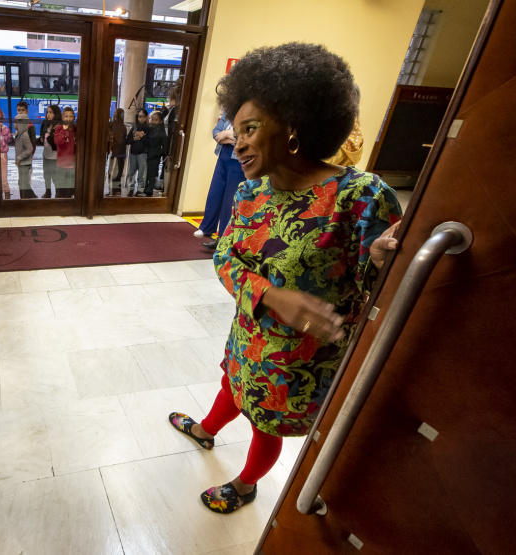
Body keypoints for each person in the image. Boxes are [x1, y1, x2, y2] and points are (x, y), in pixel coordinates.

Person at [168, 42, 402, 515]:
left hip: (300, 360)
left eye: (251, 128)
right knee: (233, 386)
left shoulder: (359, 195)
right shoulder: (251, 193)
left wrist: (380, 261)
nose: (239, 142)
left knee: (265, 422)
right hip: (249, 335)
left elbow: (382, 294)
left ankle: (248, 483)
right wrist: (272, 297)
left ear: (294, 126)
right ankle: (207, 430)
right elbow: (226, 260)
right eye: (237, 131)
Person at [196, 113, 245, 249]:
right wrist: (227, 135)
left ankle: (223, 238)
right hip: (223, 155)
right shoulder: (229, 110)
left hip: (237, 160)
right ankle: (207, 227)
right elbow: (216, 132)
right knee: (215, 193)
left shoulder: (250, 112)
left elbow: (246, 137)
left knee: (229, 201)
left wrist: (228, 135)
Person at [143, 111, 168, 197]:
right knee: (145, 173)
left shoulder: (161, 133)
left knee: (151, 174)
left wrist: (156, 154)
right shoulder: (149, 129)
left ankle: (149, 190)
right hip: (146, 154)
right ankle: (144, 188)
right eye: (152, 119)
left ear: (161, 121)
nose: (153, 121)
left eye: (156, 120)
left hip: (154, 156)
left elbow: (164, 147)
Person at [54, 106, 77, 198]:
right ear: (62, 117)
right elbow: (58, 142)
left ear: (74, 118)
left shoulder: (76, 129)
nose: (68, 118)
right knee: (60, 191)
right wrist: (64, 130)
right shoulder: (59, 128)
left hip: (72, 166)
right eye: (66, 116)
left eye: (70, 116)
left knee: (69, 191)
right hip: (61, 166)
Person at [126, 108, 150, 196]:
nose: (141, 119)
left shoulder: (149, 129)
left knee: (141, 173)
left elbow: (149, 142)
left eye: (143, 117)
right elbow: (127, 141)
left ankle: (140, 189)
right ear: (137, 117)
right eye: (140, 116)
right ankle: (131, 189)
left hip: (142, 153)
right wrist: (134, 138)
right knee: (131, 172)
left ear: (146, 117)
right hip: (133, 153)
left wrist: (142, 137)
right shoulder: (134, 128)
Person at [14, 113, 37, 199]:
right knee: (23, 182)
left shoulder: (24, 136)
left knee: (23, 183)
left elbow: (29, 149)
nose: (14, 125)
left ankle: (25, 198)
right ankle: (26, 197)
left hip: (25, 163)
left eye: (16, 123)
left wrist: (19, 158)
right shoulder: (19, 135)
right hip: (21, 163)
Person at [40, 104, 60, 198]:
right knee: (46, 175)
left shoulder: (59, 126)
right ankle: (48, 192)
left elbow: (56, 143)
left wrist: (50, 135)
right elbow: (42, 136)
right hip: (46, 154)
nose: (48, 114)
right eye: (47, 112)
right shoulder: (45, 123)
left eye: (51, 112)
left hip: (54, 156)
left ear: (56, 114)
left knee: (55, 176)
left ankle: (57, 193)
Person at [107, 108, 129, 196]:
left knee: (113, 173)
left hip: (116, 153)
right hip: (121, 153)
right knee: (118, 172)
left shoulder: (115, 125)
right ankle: (117, 191)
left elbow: (117, 140)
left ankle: (113, 191)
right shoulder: (122, 126)